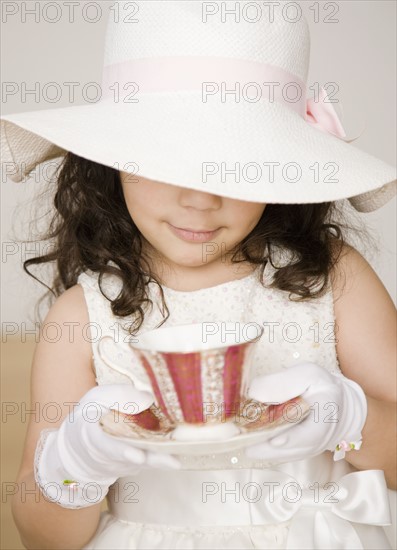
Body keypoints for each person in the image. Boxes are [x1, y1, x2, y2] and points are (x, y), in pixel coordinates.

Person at [1, 2, 396, 549]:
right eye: (169, 159)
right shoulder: (82, 317)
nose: (201, 198)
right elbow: (44, 539)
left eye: (237, 164)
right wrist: (76, 463)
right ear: (112, 157)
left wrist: (350, 418)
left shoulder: (331, 279)